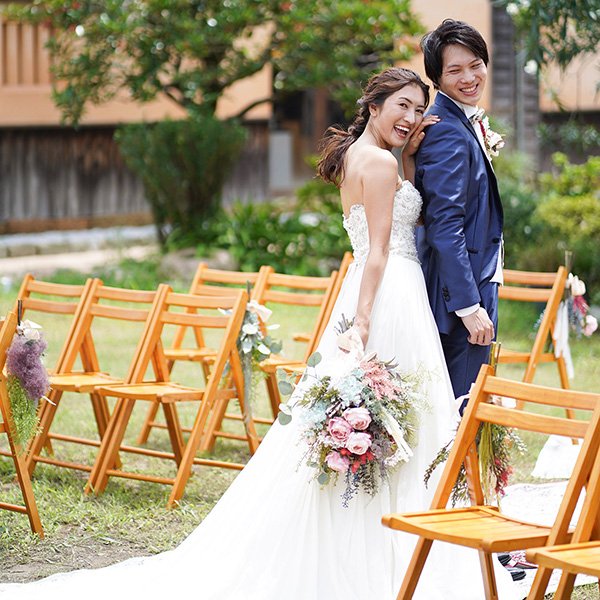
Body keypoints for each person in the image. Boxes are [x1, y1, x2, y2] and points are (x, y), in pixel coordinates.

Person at [0, 68, 518, 600]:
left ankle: (381, 540)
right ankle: (403, 554)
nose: (411, 118)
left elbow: (378, 224)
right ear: (375, 104)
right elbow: (382, 252)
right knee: (407, 421)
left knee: (390, 419)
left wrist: (412, 150)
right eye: (402, 106)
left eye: (418, 108)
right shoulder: (383, 163)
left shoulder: (357, 158)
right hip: (388, 295)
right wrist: (363, 321)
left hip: (365, 288)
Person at [415, 19, 504, 411]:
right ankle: (457, 475)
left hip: (473, 282)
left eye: (476, 64)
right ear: (435, 77)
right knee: (460, 409)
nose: (469, 77)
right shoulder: (447, 130)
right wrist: (469, 308)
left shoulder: (460, 121)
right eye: (454, 70)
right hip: (460, 299)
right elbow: (444, 225)